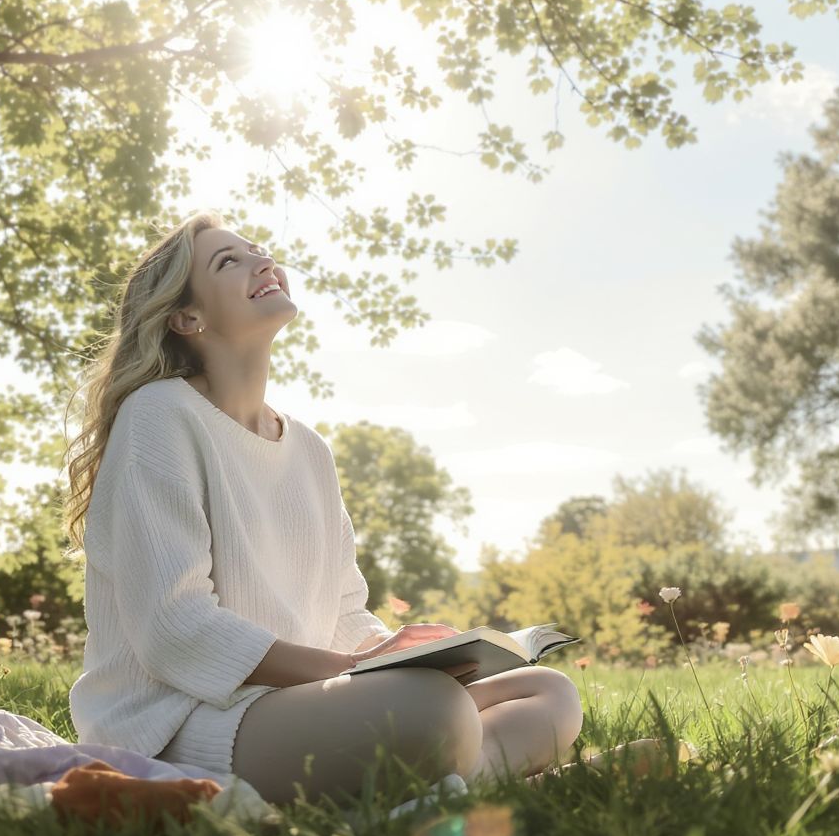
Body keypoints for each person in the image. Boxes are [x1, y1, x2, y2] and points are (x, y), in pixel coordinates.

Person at [63, 210, 582, 806]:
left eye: (258, 249)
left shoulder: (309, 450)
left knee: (548, 690)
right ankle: (495, 777)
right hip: (185, 724)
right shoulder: (158, 415)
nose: (263, 260)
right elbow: (175, 630)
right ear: (187, 317)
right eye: (228, 261)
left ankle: (452, 780)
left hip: (296, 705)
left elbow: (344, 611)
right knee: (435, 714)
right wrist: (348, 672)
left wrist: (401, 655)